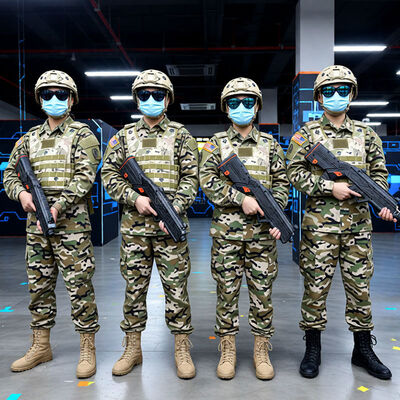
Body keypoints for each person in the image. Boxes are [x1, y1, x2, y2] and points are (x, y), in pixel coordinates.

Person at [286, 65, 394, 380]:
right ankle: (313, 348)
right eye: (329, 91)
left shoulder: (367, 134)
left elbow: (379, 174)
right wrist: (328, 186)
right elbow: (294, 172)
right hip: (319, 228)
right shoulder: (307, 135)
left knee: (360, 288)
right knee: (315, 288)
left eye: (342, 90)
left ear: (351, 94)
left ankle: (363, 349)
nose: (336, 95)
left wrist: (381, 201)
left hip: (358, 227)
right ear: (319, 97)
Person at [101, 69, 199, 379]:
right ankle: (132, 348)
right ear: (137, 99)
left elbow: (191, 179)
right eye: (145, 95)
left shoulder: (181, 135)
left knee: (177, 290)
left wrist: (174, 210)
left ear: (168, 99)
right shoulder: (123, 136)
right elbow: (108, 175)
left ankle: (181, 348)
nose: (152, 99)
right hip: (135, 230)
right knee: (134, 289)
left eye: (158, 95)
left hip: (170, 229)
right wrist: (135, 199)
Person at [4, 70, 101, 378]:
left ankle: (87, 348)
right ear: (40, 99)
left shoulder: (83, 135)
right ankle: (41, 345)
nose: (55, 99)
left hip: (73, 228)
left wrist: (59, 205)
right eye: (48, 94)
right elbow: (9, 174)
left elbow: (85, 177)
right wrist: (21, 194)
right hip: (36, 228)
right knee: (39, 287)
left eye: (61, 94)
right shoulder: (28, 139)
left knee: (80, 287)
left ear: (72, 100)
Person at [199, 77, 290, 380]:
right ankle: (227, 349)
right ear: (226, 108)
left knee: (262, 294)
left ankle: (261, 350)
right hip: (227, 236)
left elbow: (281, 186)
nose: (241, 107)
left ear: (257, 107)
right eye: (234, 102)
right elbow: (207, 181)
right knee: (226, 293)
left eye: (247, 102)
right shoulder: (215, 144)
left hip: (262, 237)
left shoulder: (271, 146)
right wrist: (241, 199)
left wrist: (275, 217)